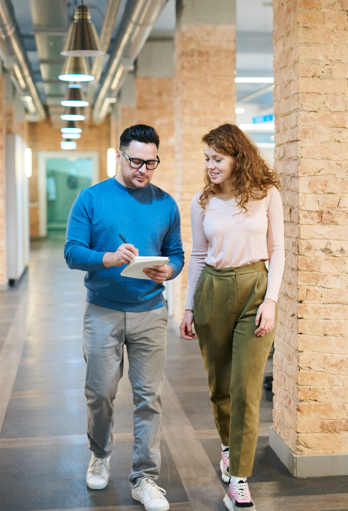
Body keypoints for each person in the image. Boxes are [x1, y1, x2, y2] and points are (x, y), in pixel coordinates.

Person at [64, 124, 184, 511]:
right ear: (119, 156)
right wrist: (109, 258)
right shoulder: (91, 198)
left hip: (150, 311)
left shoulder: (165, 203)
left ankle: (144, 478)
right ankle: (99, 454)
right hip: (103, 312)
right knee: (100, 393)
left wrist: (171, 270)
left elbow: (177, 252)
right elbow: (71, 252)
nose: (144, 170)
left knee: (150, 399)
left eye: (151, 163)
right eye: (136, 161)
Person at [180, 124, 284, 511]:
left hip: (256, 289)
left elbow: (279, 251)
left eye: (217, 159)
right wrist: (190, 306)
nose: (210, 166)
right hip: (213, 291)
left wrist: (271, 301)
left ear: (238, 157)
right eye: (206, 159)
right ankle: (228, 446)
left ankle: (238, 479)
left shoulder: (266, 194)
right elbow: (198, 257)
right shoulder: (201, 201)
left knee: (246, 388)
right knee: (219, 385)